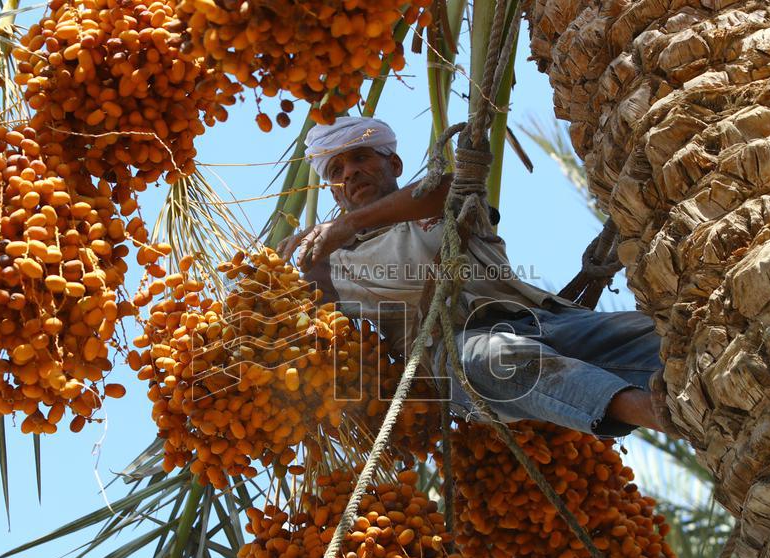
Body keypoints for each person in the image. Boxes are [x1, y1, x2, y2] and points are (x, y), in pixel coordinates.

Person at [277, 117, 680, 439]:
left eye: (361, 157)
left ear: (393, 165)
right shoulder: (333, 265)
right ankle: (656, 415)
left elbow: (453, 189)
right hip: (454, 354)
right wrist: (279, 272)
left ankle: (702, 407)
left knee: (661, 336)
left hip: (543, 319)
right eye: (337, 170)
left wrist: (347, 224)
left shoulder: (435, 198)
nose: (351, 172)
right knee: (496, 359)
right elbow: (296, 323)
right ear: (333, 191)